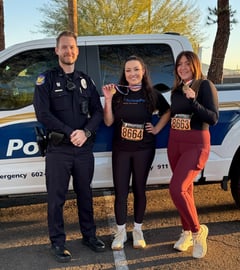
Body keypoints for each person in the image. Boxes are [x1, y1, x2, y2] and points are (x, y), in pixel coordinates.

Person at [33, 31, 105, 263]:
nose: (68, 51)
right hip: (59, 150)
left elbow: (98, 112)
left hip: (83, 148)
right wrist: (69, 131)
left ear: (77, 50)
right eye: (64, 47)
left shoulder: (86, 80)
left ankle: (89, 236)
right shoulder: (46, 80)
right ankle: (58, 242)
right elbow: (42, 113)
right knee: (56, 198)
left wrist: (85, 132)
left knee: (86, 194)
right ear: (57, 50)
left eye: (72, 47)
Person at [102, 55, 171, 250]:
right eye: (128, 70)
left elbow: (168, 111)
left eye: (136, 69)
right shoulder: (118, 94)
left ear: (143, 71)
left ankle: (138, 230)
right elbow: (108, 122)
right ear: (124, 74)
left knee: (140, 189)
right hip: (121, 149)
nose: (132, 73)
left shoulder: (152, 94)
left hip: (144, 149)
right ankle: (121, 232)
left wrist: (156, 129)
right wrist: (108, 100)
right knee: (121, 191)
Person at [167, 51, 219, 259]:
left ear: (195, 65)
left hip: (196, 143)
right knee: (186, 190)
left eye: (187, 63)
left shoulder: (204, 85)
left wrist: (194, 101)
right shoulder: (176, 90)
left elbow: (213, 118)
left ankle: (198, 232)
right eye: (179, 64)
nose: (183, 67)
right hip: (175, 143)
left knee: (176, 188)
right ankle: (186, 231)